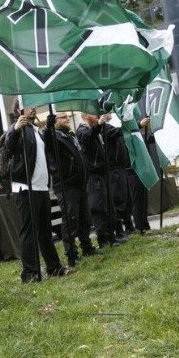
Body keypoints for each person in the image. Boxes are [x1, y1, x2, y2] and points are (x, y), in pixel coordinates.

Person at [6, 100, 71, 282]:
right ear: (19, 109)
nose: (33, 107)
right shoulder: (18, 128)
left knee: (44, 230)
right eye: (29, 105)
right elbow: (9, 148)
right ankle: (30, 273)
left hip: (41, 187)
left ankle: (54, 267)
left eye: (34, 105)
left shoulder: (35, 130)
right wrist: (15, 129)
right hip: (26, 188)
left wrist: (49, 128)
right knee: (30, 232)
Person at [44, 112, 102, 267]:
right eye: (63, 117)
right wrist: (48, 127)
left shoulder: (69, 135)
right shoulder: (54, 136)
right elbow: (48, 142)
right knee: (71, 220)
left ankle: (87, 247)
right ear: (56, 122)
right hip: (66, 185)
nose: (67, 118)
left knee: (84, 217)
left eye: (67, 116)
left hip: (80, 184)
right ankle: (71, 254)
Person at [77, 113, 117, 247]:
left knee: (107, 205)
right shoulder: (82, 130)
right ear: (84, 116)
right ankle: (102, 239)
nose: (96, 116)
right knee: (98, 206)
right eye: (93, 114)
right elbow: (87, 138)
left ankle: (111, 236)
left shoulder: (97, 130)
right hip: (93, 174)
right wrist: (99, 125)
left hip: (102, 173)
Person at [102, 116, 131, 242]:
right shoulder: (105, 128)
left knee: (125, 198)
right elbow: (117, 132)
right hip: (113, 170)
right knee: (118, 199)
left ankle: (129, 225)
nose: (110, 114)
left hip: (120, 168)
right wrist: (134, 125)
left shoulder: (109, 126)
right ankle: (120, 229)